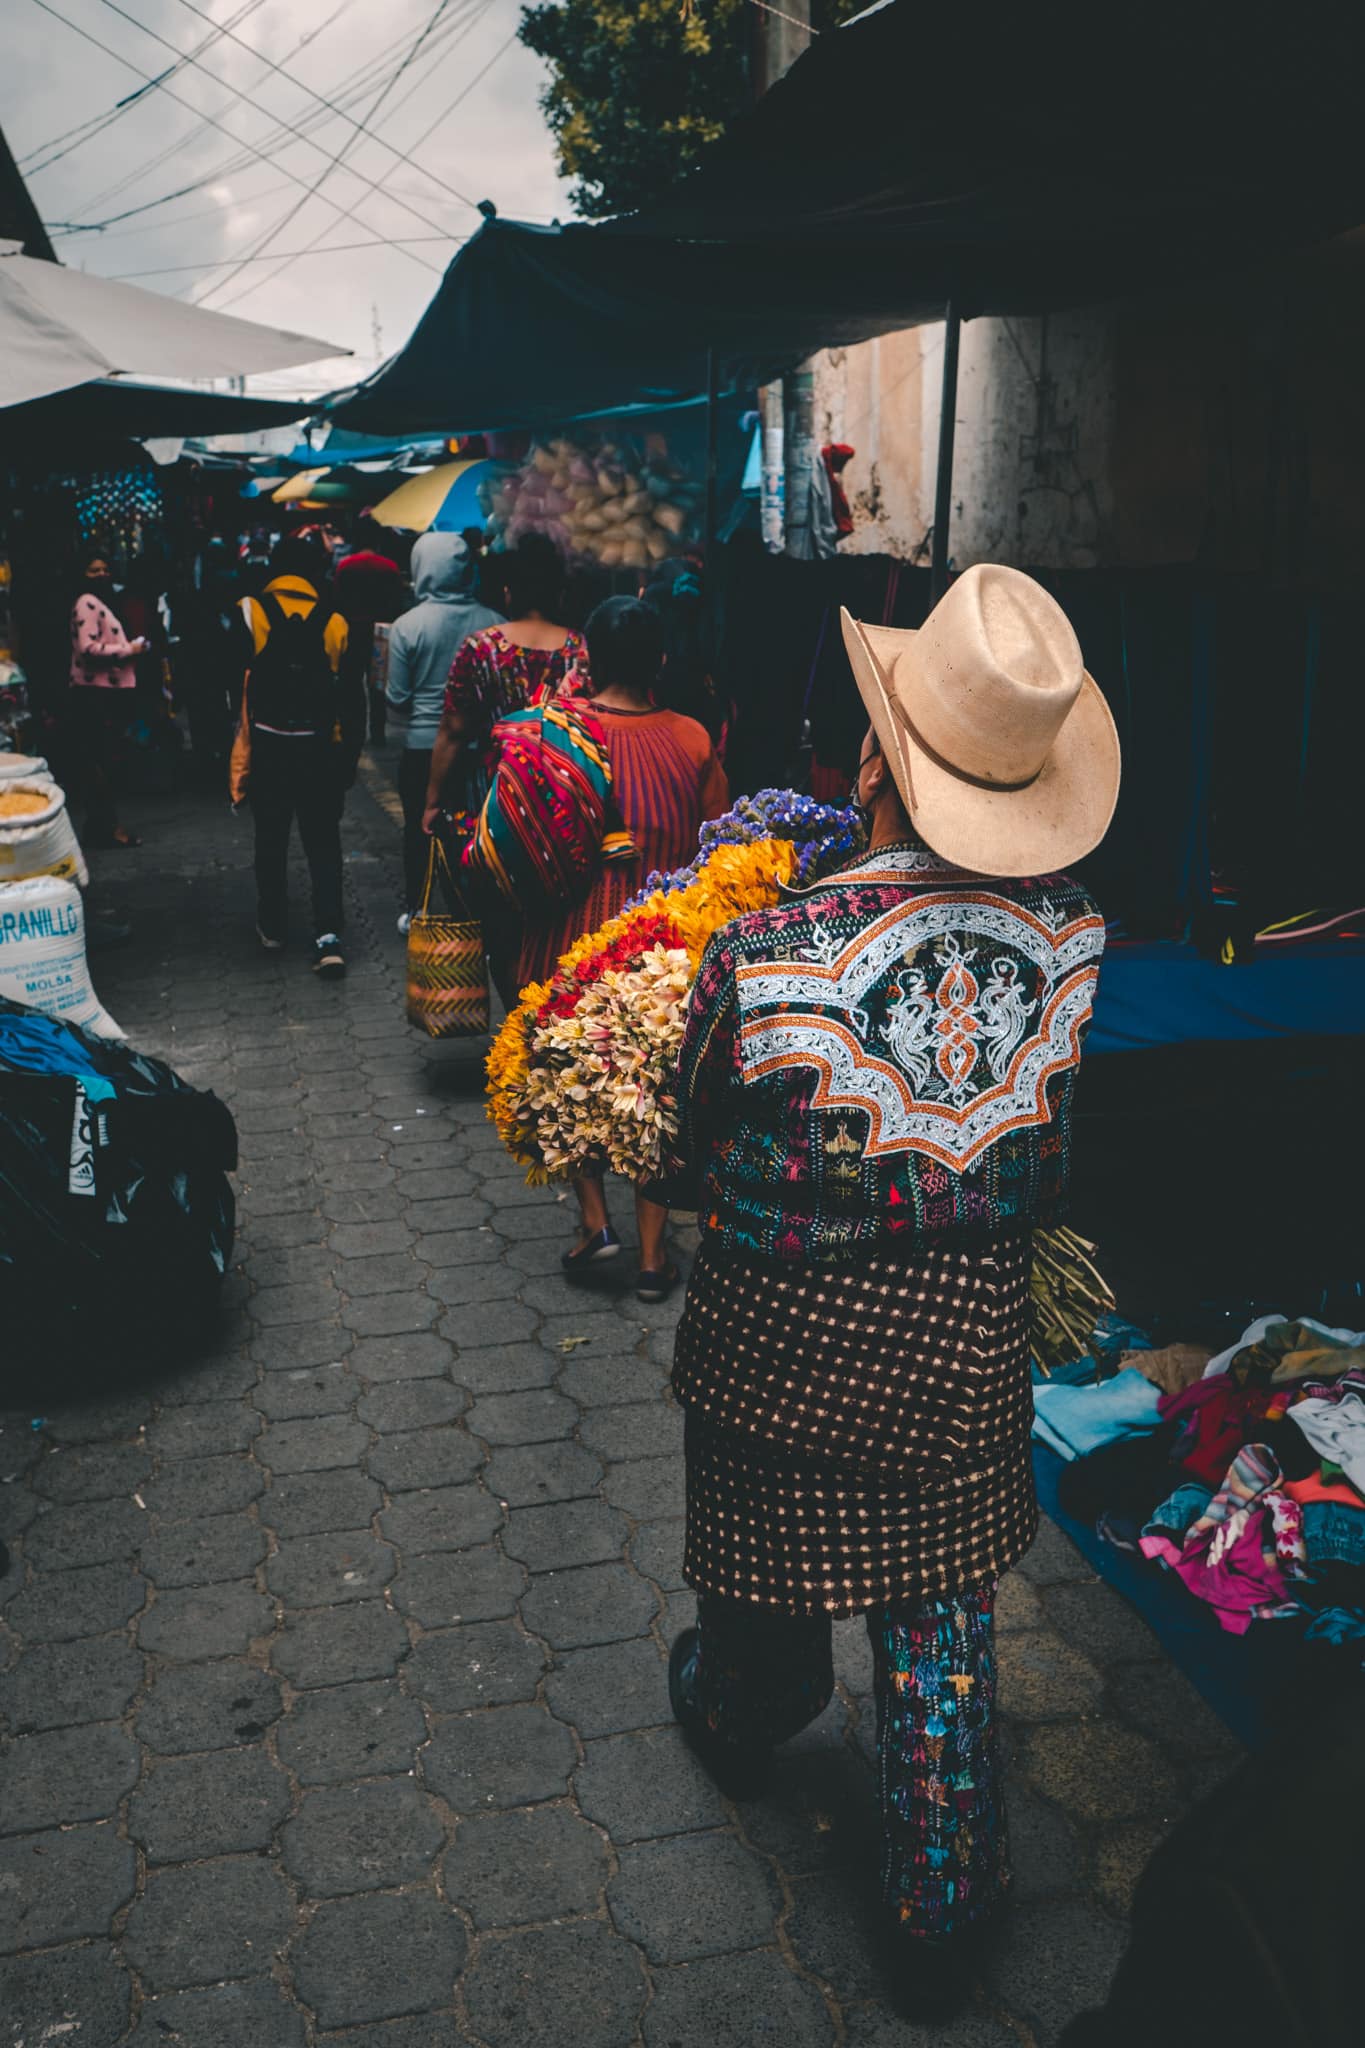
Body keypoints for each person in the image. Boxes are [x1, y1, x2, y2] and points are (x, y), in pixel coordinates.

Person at [662, 565, 1121, 2019]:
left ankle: (748, 1710)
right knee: (938, 1621)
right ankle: (942, 1903)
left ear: (870, 761)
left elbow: (691, 1138)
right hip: (960, 1348)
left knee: (762, 1573)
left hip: (783, 1348)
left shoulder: (766, 948)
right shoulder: (1078, 939)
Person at [536, 595, 728, 1300]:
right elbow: (718, 843)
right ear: (662, 662)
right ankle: (652, 1259)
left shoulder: (559, 733)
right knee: (654, 1090)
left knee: (572, 1073)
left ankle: (593, 1222)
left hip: (576, 932)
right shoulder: (691, 737)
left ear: (590, 658)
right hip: (664, 946)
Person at [422, 534, 586, 1004]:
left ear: (509, 591)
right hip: (564, 805)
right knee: (554, 916)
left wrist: (432, 802)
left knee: (500, 921)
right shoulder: (580, 648)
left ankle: (517, 1013)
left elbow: (453, 731)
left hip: (491, 803)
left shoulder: (480, 648)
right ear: (557, 592)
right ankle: (547, 1015)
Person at [228, 535, 362, 977]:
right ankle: (328, 935)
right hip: (320, 750)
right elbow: (351, 697)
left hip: (268, 749)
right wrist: (348, 763)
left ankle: (273, 925)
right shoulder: (335, 619)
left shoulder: (250, 611)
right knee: (323, 842)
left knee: (271, 838)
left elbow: (229, 682)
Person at [385, 532, 503, 931]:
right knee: (479, 831)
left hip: (421, 746)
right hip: (483, 749)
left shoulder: (406, 626)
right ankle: (476, 911)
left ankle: (417, 908)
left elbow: (396, 698)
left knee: (420, 829)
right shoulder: (495, 622)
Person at [68, 551, 150, 849]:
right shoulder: (87, 603)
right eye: (93, 569)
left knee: (100, 762)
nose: (102, 574)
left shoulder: (98, 601)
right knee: (101, 763)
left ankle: (99, 827)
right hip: (95, 693)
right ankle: (107, 827)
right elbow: (88, 648)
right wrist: (129, 650)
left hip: (101, 692)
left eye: (105, 568)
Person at [334, 515, 406, 743]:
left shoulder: (345, 566)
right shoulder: (390, 568)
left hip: (351, 632)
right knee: (378, 685)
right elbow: (397, 603)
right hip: (381, 634)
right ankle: (377, 732)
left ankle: (352, 729)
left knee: (351, 683)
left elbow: (337, 601)